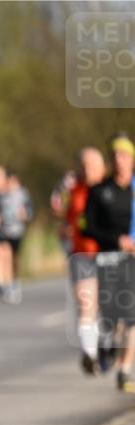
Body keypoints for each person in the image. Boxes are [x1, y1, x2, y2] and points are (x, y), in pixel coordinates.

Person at [84, 135, 135, 393]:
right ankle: (108, 344)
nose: (119, 160)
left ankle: (125, 371)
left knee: (133, 318)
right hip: (108, 259)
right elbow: (88, 228)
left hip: (132, 262)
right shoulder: (100, 191)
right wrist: (117, 239)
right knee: (113, 317)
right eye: (115, 156)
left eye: (124, 156)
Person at [58, 148, 107, 375]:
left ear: (102, 167)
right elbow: (62, 214)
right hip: (82, 254)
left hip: (109, 255)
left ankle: (106, 347)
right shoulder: (73, 189)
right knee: (85, 303)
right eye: (84, 165)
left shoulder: (111, 188)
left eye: (92, 165)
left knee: (108, 308)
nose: (88, 170)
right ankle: (90, 353)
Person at [0, 165, 32, 304]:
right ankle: (5, 285)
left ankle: (15, 282)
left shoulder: (21, 193)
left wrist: (25, 214)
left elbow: (29, 210)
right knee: (4, 254)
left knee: (14, 260)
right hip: (3, 232)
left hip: (17, 231)